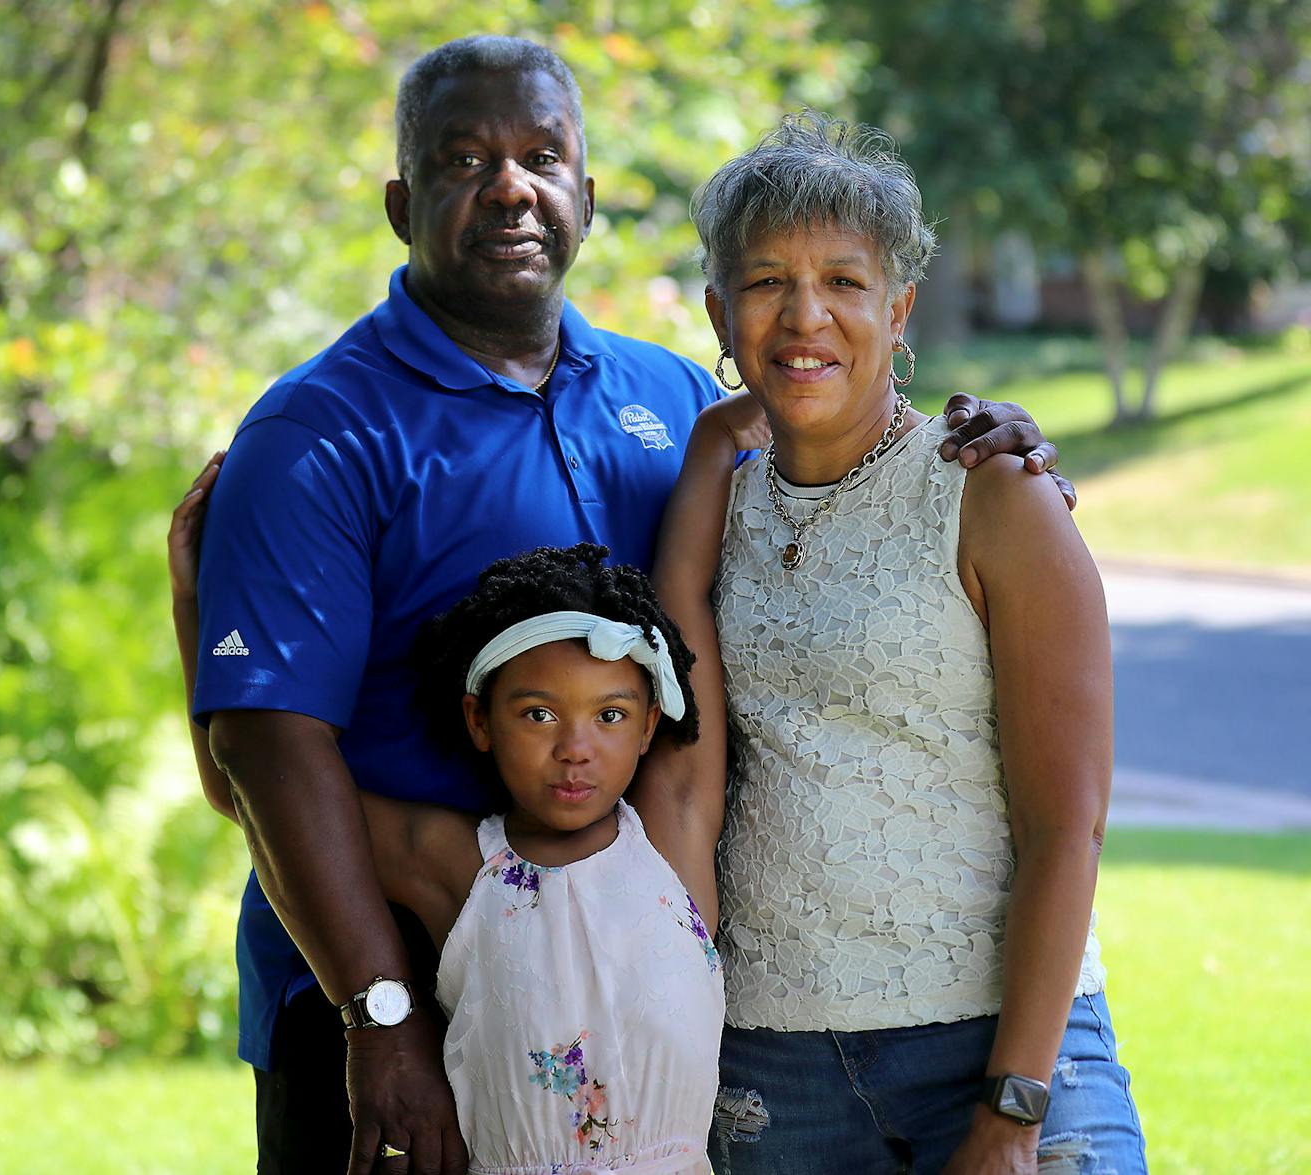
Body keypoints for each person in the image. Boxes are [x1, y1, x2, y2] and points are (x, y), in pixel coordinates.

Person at [179, 34, 1068, 1175]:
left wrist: (999, 447)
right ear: (403, 202)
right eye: (462, 160)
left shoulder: (682, 401)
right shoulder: (317, 432)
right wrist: (381, 1015)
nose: (510, 186)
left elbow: (842, 465)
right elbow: (264, 741)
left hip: (628, 984)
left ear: (585, 196)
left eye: (541, 156)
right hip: (386, 992)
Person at [654, 113, 1145, 1174]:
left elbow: (1067, 822)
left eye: (842, 280)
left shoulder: (992, 493)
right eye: (764, 281)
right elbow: (679, 770)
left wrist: (1012, 1110)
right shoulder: (711, 512)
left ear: (898, 307)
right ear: (716, 312)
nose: (804, 315)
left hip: (993, 1041)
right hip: (770, 1063)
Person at [182, 541, 727, 1173]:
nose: (575, 748)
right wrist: (196, 601)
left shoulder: (670, 847)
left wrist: (718, 445)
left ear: (649, 724)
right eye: (539, 714)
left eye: (609, 714)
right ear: (480, 720)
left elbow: (684, 581)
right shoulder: (465, 870)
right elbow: (246, 791)